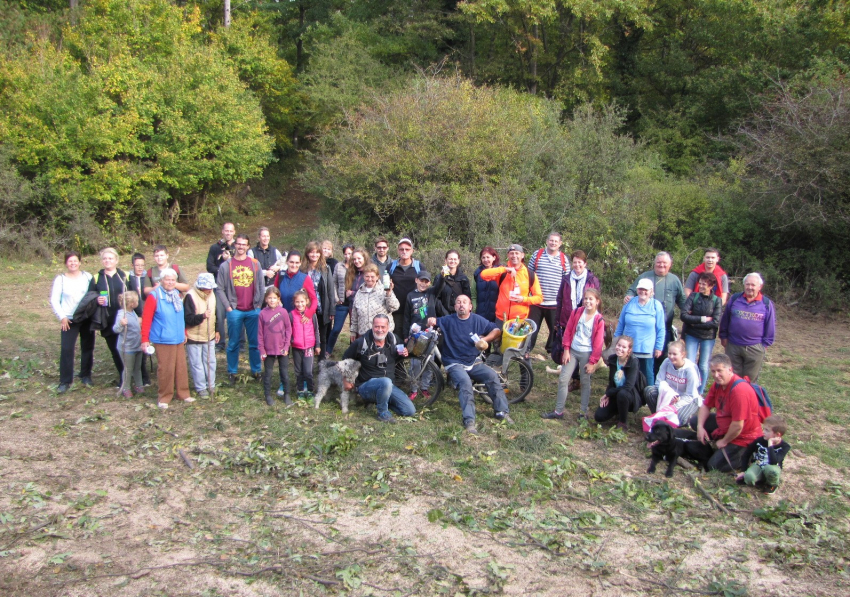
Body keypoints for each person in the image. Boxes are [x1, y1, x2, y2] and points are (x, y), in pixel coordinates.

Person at [427, 295, 510, 435]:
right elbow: (433, 321)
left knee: (492, 376)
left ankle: (501, 412)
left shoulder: (477, 320)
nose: (461, 305)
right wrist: (431, 320)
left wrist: (486, 339)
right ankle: (469, 420)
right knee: (465, 383)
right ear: (455, 307)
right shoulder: (448, 320)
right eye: (458, 302)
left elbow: (496, 330)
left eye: (465, 302)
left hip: (473, 361)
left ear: (470, 306)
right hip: (453, 362)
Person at [542, 289, 605, 421]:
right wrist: (566, 350)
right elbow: (569, 331)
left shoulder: (599, 320)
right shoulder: (577, 312)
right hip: (572, 351)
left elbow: (598, 344)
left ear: (597, 302)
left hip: (587, 354)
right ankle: (558, 411)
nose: (587, 301)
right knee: (563, 379)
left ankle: (583, 413)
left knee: (585, 382)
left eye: (591, 299)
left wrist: (593, 362)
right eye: (586, 298)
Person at [694, 354, 763, 472]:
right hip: (726, 424)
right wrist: (700, 427)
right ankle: (718, 441)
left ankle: (746, 455)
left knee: (713, 466)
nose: (716, 375)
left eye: (719, 371)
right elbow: (706, 406)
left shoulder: (739, 391)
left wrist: (724, 441)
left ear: (730, 369)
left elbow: (738, 425)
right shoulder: (718, 384)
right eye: (713, 371)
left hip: (743, 437)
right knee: (695, 421)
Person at [343, 314, 416, 423]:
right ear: (372, 326)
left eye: (383, 327)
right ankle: (383, 413)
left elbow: (402, 352)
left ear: (388, 327)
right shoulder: (362, 342)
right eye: (377, 326)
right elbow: (345, 360)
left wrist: (404, 352)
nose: (380, 330)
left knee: (409, 410)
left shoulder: (394, 340)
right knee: (385, 382)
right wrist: (346, 379)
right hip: (366, 386)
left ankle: (380, 401)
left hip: (388, 387)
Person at [624, 252, 686, 372]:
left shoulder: (674, 280)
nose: (661, 265)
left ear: (670, 264)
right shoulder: (645, 276)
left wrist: (688, 315)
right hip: (645, 328)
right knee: (642, 358)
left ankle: (658, 382)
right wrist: (629, 295)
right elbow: (632, 290)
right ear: (654, 264)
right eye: (658, 262)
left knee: (661, 355)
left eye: (664, 263)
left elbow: (682, 300)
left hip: (665, 327)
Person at [216, 234, 265, 385]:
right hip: (235, 310)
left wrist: (258, 305)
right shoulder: (226, 266)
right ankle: (232, 371)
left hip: (252, 309)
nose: (241, 247)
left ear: (248, 246)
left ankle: (256, 370)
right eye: (238, 244)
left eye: (244, 244)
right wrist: (229, 308)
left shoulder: (255, 264)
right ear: (234, 245)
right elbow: (220, 289)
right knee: (233, 343)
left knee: (254, 343)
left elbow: (261, 287)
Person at [141, 268, 192, 409]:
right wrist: (144, 339)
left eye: (173, 280)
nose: (170, 282)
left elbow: (180, 316)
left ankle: (183, 393)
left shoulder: (177, 294)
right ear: (161, 281)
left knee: (181, 367)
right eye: (167, 279)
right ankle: (164, 396)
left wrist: (184, 332)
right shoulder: (154, 296)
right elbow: (146, 319)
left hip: (178, 337)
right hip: (163, 338)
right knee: (166, 369)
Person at [719, 273, 776, 384]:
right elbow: (725, 319)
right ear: (744, 285)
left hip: (755, 347)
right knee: (731, 378)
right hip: (733, 345)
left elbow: (770, 325)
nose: (750, 287)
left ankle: (748, 400)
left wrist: (764, 345)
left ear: (760, 287)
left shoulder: (766, 304)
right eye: (747, 284)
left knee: (750, 380)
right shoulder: (735, 299)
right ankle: (732, 400)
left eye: (753, 285)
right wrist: (723, 336)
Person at [51, 251, 95, 393]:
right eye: (70, 261)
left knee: (87, 346)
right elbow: (54, 300)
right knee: (67, 348)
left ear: (80, 262)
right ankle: (65, 381)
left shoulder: (88, 277)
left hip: (86, 317)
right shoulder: (61, 279)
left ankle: (86, 375)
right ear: (66, 263)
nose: (73, 263)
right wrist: (62, 317)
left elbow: (93, 295)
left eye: (75, 261)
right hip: (69, 319)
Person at [402, 270, 444, 401]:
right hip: (415, 334)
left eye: (426, 281)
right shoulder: (410, 296)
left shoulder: (431, 293)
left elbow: (440, 285)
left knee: (429, 362)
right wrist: (405, 335)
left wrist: (442, 275)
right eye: (421, 281)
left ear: (429, 283)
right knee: (415, 362)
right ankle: (414, 389)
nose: (423, 284)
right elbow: (406, 317)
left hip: (430, 332)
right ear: (416, 280)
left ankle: (424, 387)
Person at [526, 232, 570, 357]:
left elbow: (566, 280)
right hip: (536, 301)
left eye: (556, 241)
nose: (553, 243)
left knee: (555, 330)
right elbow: (529, 274)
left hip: (554, 302)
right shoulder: (537, 254)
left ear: (560, 244)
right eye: (551, 240)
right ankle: (527, 350)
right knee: (531, 328)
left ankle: (553, 352)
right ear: (547, 241)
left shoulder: (563, 259)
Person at [479, 244, 543, 327]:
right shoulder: (502, 272)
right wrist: (505, 269)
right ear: (508, 255)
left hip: (519, 319)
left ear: (522, 255)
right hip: (501, 318)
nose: (514, 256)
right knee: (499, 340)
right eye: (512, 253)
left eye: (517, 253)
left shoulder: (530, 274)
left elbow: (539, 298)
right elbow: (483, 275)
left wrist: (523, 299)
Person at [615, 278, 665, 385]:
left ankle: (649, 398)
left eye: (646, 289)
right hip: (627, 349)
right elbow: (621, 323)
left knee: (647, 375)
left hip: (646, 349)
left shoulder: (656, 305)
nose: (643, 291)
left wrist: (658, 347)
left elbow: (661, 328)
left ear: (651, 291)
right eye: (640, 289)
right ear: (637, 290)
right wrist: (615, 342)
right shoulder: (629, 303)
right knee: (624, 375)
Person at [89, 248, 127, 386]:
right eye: (105, 258)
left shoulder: (124, 276)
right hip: (106, 319)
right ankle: (123, 377)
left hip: (124, 318)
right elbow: (89, 297)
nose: (107, 261)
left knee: (127, 348)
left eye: (110, 258)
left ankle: (137, 377)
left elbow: (134, 295)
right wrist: (96, 299)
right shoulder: (96, 278)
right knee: (115, 350)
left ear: (116, 260)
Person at [681, 272, 723, 394]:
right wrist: (702, 319)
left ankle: (699, 392)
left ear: (711, 286)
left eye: (704, 284)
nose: (701, 286)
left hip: (708, 337)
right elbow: (683, 316)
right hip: (691, 335)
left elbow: (715, 322)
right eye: (700, 283)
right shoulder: (693, 296)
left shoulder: (716, 301)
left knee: (704, 365)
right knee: (689, 362)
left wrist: (693, 321)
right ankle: (688, 389)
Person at [643, 340, 702, 426]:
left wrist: (675, 405)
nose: (671, 356)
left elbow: (690, 395)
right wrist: (670, 395)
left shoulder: (690, 370)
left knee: (679, 418)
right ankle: (658, 416)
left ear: (683, 354)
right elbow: (659, 382)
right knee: (649, 391)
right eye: (670, 353)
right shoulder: (666, 362)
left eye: (674, 354)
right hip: (668, 395)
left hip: (687, 399)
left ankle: (684, 419)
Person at [594, 335, 642, 432]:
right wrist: (607, 395)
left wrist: (609, 393)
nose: (620, 348)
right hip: (615, 394)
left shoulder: (633, 362)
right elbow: (611, 382)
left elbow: (628, 386)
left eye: (624, 347)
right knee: (599, 416)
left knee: (622, 393)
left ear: (629, 350)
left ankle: (623, 422)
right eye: (619, 345)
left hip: (630, 395)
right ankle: (618, 410)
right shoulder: (612, 359)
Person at [184, 273, 221, 398]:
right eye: (207, 288)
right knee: (197, 363)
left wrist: (217, 330)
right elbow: (188, 319)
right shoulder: (190, 296)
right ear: (200, 287)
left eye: (211, 288)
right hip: (194, 337)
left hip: (209, 335)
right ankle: (201, 387)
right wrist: (202, 316)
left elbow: (215, 314)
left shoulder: (212, 295)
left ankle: (211, 384)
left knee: (210, 361)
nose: (210, 290)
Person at [736, 415, 791, 494]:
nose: (763, 432)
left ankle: (771, 484)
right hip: (758, 464)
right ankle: (759, 480)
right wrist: (743, 471)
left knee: (772, 470)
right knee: (748, 478)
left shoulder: (785, 447)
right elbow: (746, 454)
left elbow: (773, 462)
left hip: (771, 468)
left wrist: (770, 444)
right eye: (764, 429)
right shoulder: (759, 441)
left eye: (767, 430)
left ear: (777, 435)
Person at [258, 287, 292, 406]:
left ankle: (287, 394)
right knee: (268, 373)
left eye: (274, 298)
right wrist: (262, 350)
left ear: (279, 299)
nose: (272, 300)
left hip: (282, 348)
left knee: (284, 373)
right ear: (266, 299)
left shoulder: (283, 312)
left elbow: (288, 329)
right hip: (268, 350)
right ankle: (267, 395)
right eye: (270, 298)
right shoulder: (262, 313)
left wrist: (286, 346)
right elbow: (260, 333)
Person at [302, 241, 336, 360]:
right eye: (312, 252)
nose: (314, 255)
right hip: (307, 307)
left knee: (322, 337)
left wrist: (332, 309)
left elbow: (331, 290)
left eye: (317, 252)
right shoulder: (303, 269)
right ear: (307, 254)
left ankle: (321, 362)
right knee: (308, 335)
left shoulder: (325, 269)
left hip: (323, 307)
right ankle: (308, 362)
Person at [350, 264, 400, 341]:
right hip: (364, 333)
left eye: (372, 277)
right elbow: (355, 313)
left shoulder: (384, 290)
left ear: (377, 277)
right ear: (364, 276)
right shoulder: (359, 292)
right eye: (367, 276)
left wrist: (389, 294)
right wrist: (353, 331)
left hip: (382, 334)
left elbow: (394, 307)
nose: (369, 279)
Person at [207, 222, 236, 351]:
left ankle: (238, 342)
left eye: (231, 231)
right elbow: (209, 266)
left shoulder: (238, 246)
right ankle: (220, 342)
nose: (228, 233)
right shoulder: (215, 248)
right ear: (222, 232)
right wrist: (222, 265)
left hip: (235, 285)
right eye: (226, 231)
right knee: (218, 312)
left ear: (234, 232)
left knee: (236, 312)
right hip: (219, 285)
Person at [556, 250, 601, 333]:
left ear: (585, 263)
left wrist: (598, 320)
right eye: (575, 262)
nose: (577, 265)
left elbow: (597, 301)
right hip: (567, 319)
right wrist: (557, 320)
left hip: (586, 319)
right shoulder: (566, 279)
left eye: (579, 262)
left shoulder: (592, 280)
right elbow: (560, 299)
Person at [126, 252, 152, 386]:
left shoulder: (147, 277)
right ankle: (137, 375)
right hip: (134, 316)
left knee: (145, 345)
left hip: (147, 315)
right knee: (136, 345)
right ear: (132, 265)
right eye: (137, 265)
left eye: (142, 265)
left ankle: (144, 374)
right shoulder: (127, 278)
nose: (140, 268)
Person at [112, 291, 143, 399]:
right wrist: (121, 324)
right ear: (132, 304)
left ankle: (139, 385)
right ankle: (126, 387)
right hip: (127, 347)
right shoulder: (122, 314)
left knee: (137, 368)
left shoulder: (133, 312)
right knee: (128, 369)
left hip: (137, 345)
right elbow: (115, 329)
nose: (138, 302)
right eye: (137, 301)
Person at [388, 238, 422, 334]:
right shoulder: (391, 267)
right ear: (398, 250)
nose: (404, 251)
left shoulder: (419, 266)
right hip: (396, 310)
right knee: (397, 336)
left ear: (412, 251)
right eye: (401, 249)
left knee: (414, 337)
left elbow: (425, 285)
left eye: (407, 249)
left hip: (414, 309)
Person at [290, 290, 320, 399]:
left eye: (302, 301)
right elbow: (289, 331)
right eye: (297, 302)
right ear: (294, 302)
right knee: (298, 371)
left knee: (308, 371)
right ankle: (300, 390)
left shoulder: (312, 315)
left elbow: (316, 330)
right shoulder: (291, 315)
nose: (300, 304)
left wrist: (317, 345)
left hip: (309, 348)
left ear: (307, 301)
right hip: (296, 348)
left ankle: (311, 391)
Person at [326, 243, 354, 356]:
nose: (348, 256)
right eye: (345, 254)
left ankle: (353, 351)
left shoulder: (357, 266)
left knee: (354, 330)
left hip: (354, 303)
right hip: (342, 303)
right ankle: (328, 350)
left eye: (350, 253)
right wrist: (337, 298)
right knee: (336, 329)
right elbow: (334, 283)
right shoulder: (339, 266)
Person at [275, 251, 318, 319]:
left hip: (297, 319)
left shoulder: (305, 278)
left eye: (297, 263)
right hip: (281, 318)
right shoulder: (280, 276)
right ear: (287, 262)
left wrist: (309, 314)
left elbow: (314, 299)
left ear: (300, 263)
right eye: (291, 262)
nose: (294, 265)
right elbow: (274, 295)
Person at [433, 250, 472, 315]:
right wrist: (445, 314)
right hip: (443, 316)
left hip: (459, 315)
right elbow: (436, 298)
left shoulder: (463, 278)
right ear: (446, 260)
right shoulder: (439, 278)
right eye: (450, 259)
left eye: (455, 259)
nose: (453, 261)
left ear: (458, 261)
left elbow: (467, 298)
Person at [472, 247, 500, 322]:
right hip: (480, 312)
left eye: (488, 257)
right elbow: (473, 294)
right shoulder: (477, 273)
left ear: (494, 258)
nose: (486, 260)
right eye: (483, 257)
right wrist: (474, 308)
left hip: (497, 312)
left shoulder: (500, 272)